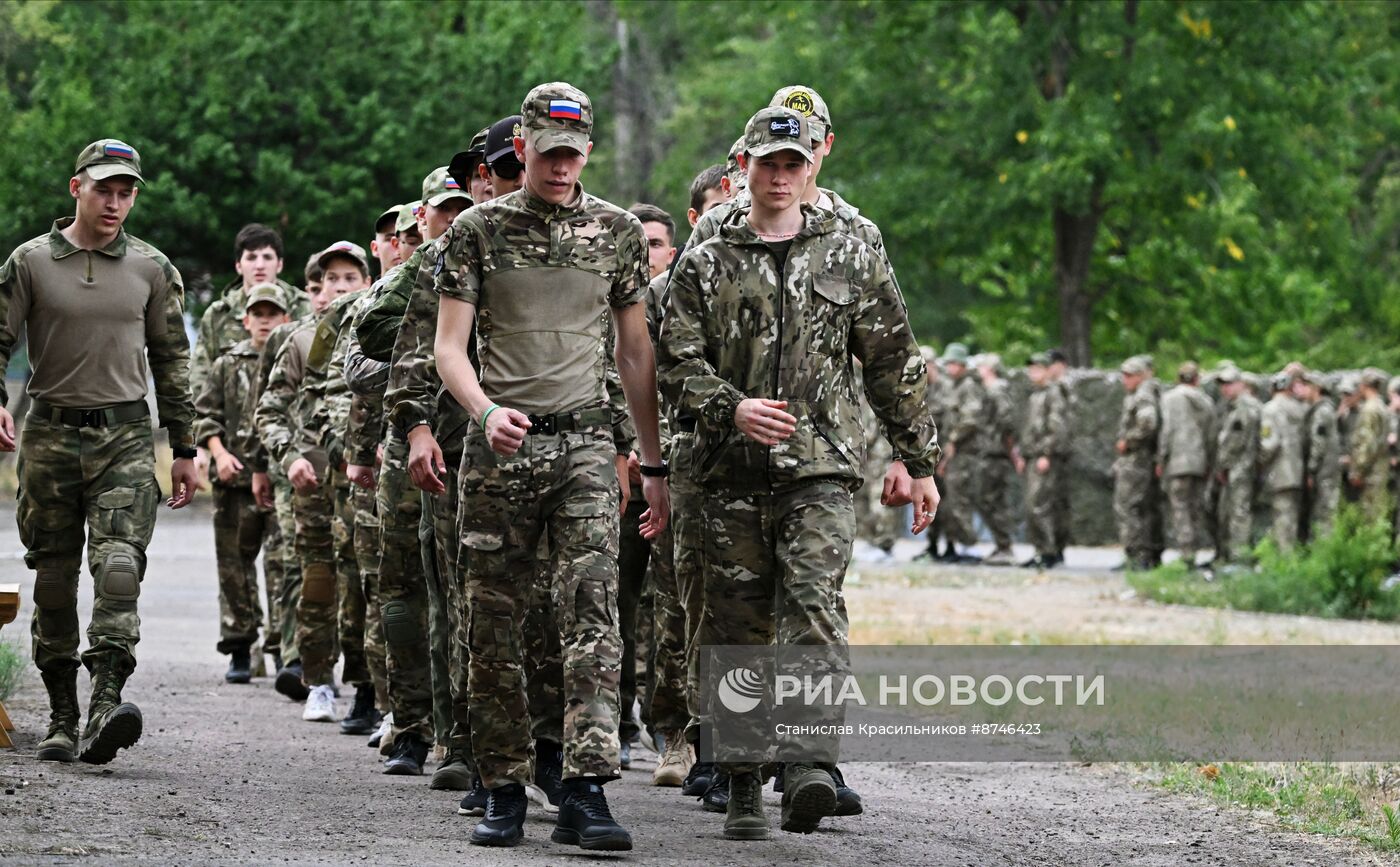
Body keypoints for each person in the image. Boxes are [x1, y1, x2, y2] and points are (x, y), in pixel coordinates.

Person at [660, 105, 939, 841]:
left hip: (821, 465)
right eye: (767, 164)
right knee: (735, 626)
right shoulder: (708, 248)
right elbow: (673, 361)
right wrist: (731, 408)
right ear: (743, 166)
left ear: (814, 165)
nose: (780, 177)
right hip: (728, 469)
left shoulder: (854, 243)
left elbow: (892, 357)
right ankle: (744, 780)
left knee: (813, 605)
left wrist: (921, 462)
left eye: (794, 163)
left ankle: (811, 761)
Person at [434, 82, 668, 851]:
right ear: (524, 147)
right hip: (500, 449)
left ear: (589, 152)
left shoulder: (617, 232)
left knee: (593, 616)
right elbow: (448, 347)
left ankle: (586, 786)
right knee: (495, 618)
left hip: (585, 448)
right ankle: (502, 784)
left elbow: (636, 353)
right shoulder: (477, 231)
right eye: (550, 153)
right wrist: (484, 411)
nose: (563, 167)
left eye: (575, 153)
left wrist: (652, 459)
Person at [0, 139, 199, 764]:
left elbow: (172, 361)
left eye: (126, 192)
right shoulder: (30, 262)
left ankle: (105, 705)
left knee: (118, 570)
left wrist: (185, 446)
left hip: (126, 436)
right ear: (75, 188)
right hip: (49, 434)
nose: (115, 202)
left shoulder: (152, 268)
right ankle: (61, 714)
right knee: (54, 578)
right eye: (104, 189)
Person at [256, 241, 369, 722]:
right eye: (331, 280)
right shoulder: (303, 340)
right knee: (318, 584)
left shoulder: (382, 335)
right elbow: (270, 410)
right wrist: (289, 457)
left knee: (365, 586)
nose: (339, 288)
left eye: (349, 279)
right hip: (314, 482)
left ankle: (369, 689)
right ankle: (318, 679)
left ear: (365, 282)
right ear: (317, 288)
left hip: (364, 483)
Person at [195, 282, 290, 683]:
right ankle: (239, 646)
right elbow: (205, 414)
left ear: (286, 318)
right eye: (259, 314)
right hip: (233, 481)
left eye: (273, 314)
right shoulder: (227, 363)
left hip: (282, 480)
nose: (265, 321)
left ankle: (286, 650)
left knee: (283, 567)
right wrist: (218, 453)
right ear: (246, 319)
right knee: (234, 567)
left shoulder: (293, 358)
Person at [1156, 362, 1215, 567]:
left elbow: (1168, 431)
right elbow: (1211, 434)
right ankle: (1197, 548)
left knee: (1180, 507)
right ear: (1197, 379)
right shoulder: (1206, 402)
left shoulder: (1170, 399)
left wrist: (1161, 458)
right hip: (1200, 460)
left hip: (1178, 460)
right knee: (1196, 507)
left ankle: (1187, 553)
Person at [1020, 352, 1070, 569]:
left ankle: (1048, 551)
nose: (1033, 373)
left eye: (1038, 369)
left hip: (1043, 457)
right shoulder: (1035, 395)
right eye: (1031, 369)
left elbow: (1056, 427)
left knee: (1039, 505)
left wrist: (1046, 454)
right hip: (1032, 456)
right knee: (1035, 505)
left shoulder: (1053, 394)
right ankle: (1041, 550)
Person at [1113, 356, 1161, 570]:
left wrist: (1128, 441)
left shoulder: (1142, 395)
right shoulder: (1140, 394)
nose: (1125, 379)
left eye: (1130, 375)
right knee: (1141, 508)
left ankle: (1136, 555)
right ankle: (1144, 554)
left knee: (1128, 507)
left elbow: (1148, 423)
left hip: (1136, 461)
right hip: (1140, 461)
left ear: (1141, 376)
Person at [937, 343, 982, 562]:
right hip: (949, 453)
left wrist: (954, 439)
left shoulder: (969, 386)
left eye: (954, 363)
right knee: (948, 502)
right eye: (949, 364)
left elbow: (970, 419)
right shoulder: (951, 386)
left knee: (959, 500)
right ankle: (953, 545)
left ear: (963, 365)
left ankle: (969, 546)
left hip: (963, 453)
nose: (950, 368)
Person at [1212, 366, 1261, 563]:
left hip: (1241, 468)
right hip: (1237, 469)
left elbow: (1235, 442)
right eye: (1223, 384)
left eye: (1229, 384)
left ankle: (1239, 558)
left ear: (1241, 384)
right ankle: (1229, 555)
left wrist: (1223, 465)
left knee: (1239, 514)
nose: (1225, 389)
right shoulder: (1232, 407)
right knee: (1228, 513)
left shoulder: (1244, 408)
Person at [1259, 371, 1306, 549]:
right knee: (1292, 515)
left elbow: (1269, 443)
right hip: (1297, 469)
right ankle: (1292, 552)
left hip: (1279, 471)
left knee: (1281, 515)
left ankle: (1284, 558)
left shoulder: (1270, 410)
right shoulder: (1298, 409)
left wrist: (1260, 462)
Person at [1301, 371, 1342, 536]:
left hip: (1324, 472)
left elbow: (1319, 443)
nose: (1302, 390)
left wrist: (1311, 469)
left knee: (1324, 513)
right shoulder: (1321, 409)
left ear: (1316, 388)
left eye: (1306, 386)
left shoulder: (1321, 412)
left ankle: (1324, 552)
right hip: (1324, 471)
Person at [1348, 368, 1391, 522]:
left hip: (1372, 471)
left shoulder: (1370, 409)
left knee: (1371, 514)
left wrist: (1358, 470)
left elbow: (1368, 443)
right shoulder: (1382, 406)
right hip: (1380, 467)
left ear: (1364, 385)